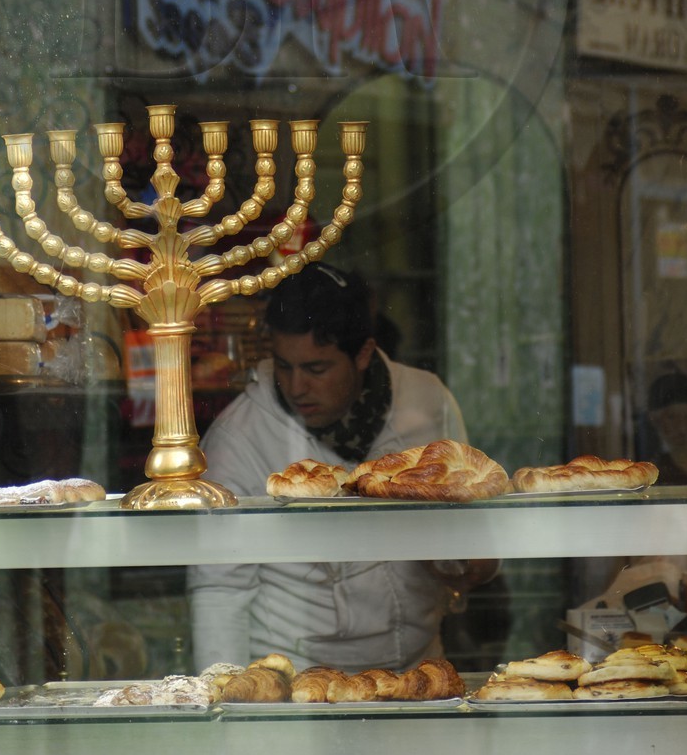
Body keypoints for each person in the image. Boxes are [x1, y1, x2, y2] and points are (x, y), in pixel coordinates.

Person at [188, 264, 492, 673]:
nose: (296, 387)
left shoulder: (426, 400)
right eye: (283, 366)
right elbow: (220, 590)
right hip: (299, 684)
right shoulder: (238, 438)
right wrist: (224, 705)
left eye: (316, 369)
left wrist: (476, 561)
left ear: (364, 354)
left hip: (418, 673)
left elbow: (475, 517)